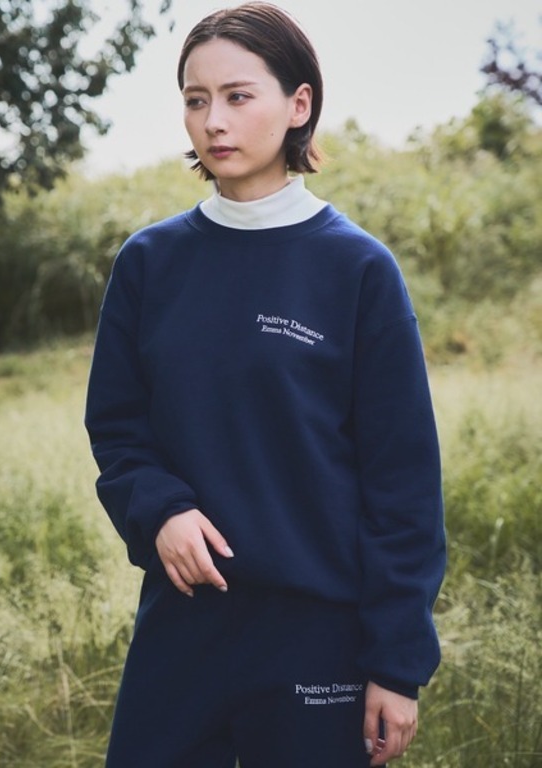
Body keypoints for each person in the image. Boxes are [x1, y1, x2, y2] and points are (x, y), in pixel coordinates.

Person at [84, 3, 446, 766]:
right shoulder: (150, 264)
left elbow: (403, 482)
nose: (213, 120)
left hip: (318, 637)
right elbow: (118, 428)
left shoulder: (357, 269)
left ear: (299, 105)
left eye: (238, 96)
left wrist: (396, 664)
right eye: (195, 99)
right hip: (181, 627)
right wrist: (161, 510)